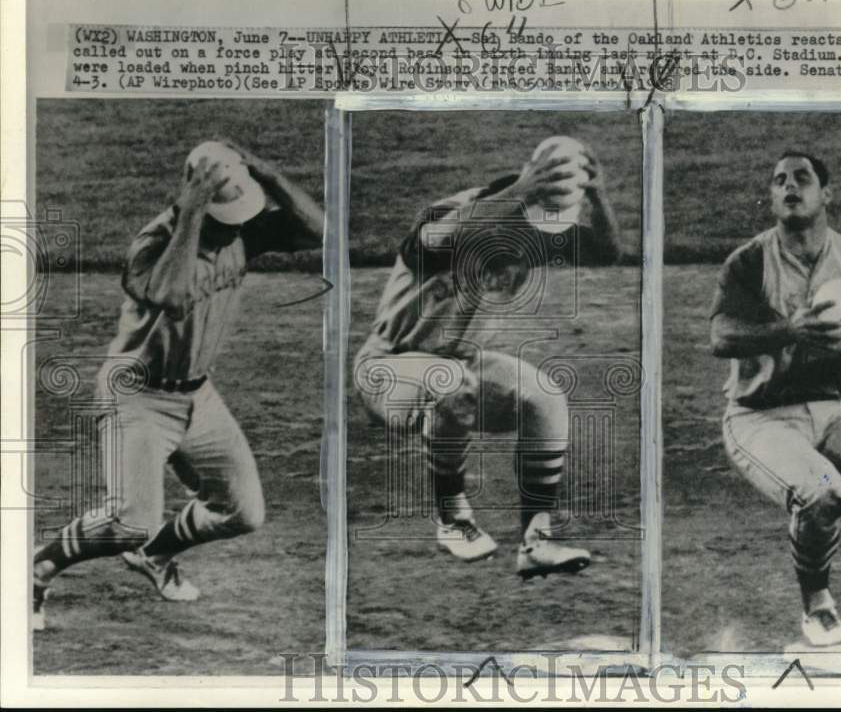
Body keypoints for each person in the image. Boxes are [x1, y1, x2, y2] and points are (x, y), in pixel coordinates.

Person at [33, 139, 323, 631]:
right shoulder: (152, 244)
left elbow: (320, 232)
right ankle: (38, 568)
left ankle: (153, 554)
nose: (234, 224)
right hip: (136, 395)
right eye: (221, 215)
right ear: (195, 201)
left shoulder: (240, 233)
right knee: (130, 522)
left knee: (243, 513)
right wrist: (190, 211)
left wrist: (267, 173)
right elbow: (172, 296)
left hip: (198, 396)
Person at [354, 136, 622, 578]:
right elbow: (426, 244)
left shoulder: (530, 234)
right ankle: (452, 519)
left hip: (463, 362)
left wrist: (598, 195)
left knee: (545, 396)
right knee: (451, 380)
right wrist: (522, 189)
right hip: (387, 368)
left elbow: (606, 252)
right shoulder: (449, 214)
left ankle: (537, 541)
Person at [709, 150, 841, 647]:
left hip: (833, 411)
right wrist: (790, 329)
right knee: (822, 489)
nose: (789, 186)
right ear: (772, 199)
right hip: (759, 417)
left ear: (826, 194)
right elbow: (720, 337)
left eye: (801, 178)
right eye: (779, 180)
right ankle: (819, 609)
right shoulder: (749, 261)